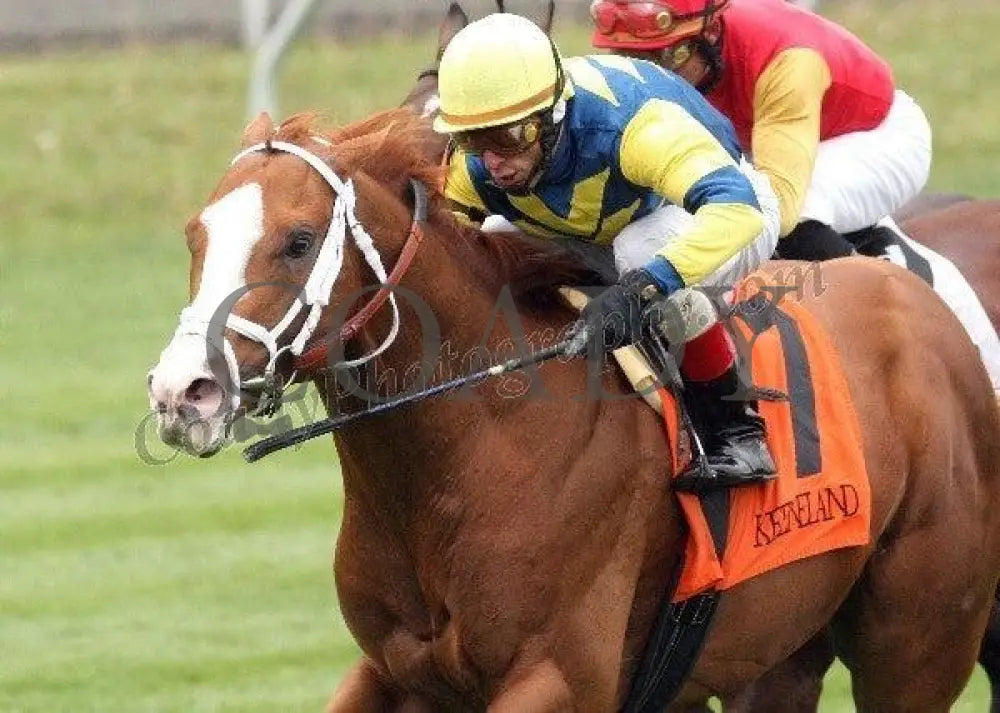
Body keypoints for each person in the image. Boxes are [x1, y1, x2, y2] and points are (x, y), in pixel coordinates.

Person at [433, 12, 783, 493]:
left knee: (639, 250)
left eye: (510, 138)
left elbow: (737, 210)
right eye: (474, 140)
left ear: (554, 115)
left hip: (726, 208)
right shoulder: (473, 168)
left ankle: (735, 432)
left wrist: (644, 286)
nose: (493, 162)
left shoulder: (633, 127)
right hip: (601, 231)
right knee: (493, 243)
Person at [588, 0, 933, 260]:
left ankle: (873, 296)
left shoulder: (787, 63)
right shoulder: (695, 50)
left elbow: (776, 210)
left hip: (876, 136)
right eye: (629, 59)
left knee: (782, 218)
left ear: (710, 33)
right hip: (769, 133)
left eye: (669, 57)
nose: (650, 77)